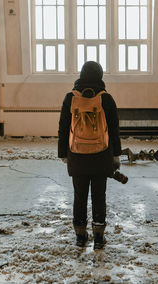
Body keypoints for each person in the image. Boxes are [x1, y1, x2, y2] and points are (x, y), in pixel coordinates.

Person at [58, 61, 122, 250]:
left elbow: (62, 128)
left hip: (76, 155)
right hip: (101, 156)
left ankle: (80, 236)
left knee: (80, 196)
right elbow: (114, 130)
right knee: (99, 196)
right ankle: (99, 238)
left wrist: (64, 154)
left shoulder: (70, 98)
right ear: (100, 76)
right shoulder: (106, 99)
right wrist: (116, 155)